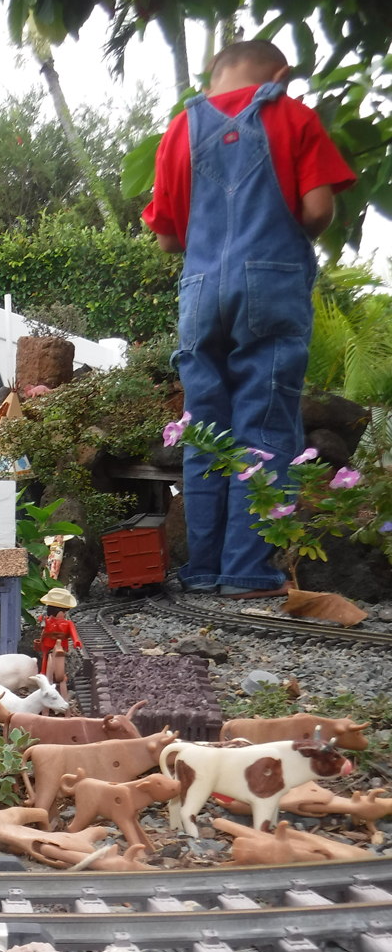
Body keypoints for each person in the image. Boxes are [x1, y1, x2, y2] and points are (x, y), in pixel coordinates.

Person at [143, 41, 355, 599]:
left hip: (199, 290)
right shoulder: (292, 115)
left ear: (213, 77)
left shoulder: (177, 133)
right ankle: (247, 571)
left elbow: (167, 237)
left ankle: (202, 568)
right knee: (262, 423)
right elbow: (316, 210)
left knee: (206, 428)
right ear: (280, 76)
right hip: (271, 281)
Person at [37, 587, 81, 698]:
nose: (64, 614)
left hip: (61, 644)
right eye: (63, 611)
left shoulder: (68, 623)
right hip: (48, 643)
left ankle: (61, 674)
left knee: (60, 659)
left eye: (65, 611)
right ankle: (43, 672)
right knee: (46, 657)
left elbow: (73, 633)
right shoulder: (47, 620)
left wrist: (76, 641)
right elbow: (43, 628)